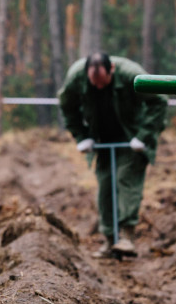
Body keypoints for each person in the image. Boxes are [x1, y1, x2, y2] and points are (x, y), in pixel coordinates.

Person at [58, 52, 168, 258]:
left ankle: (126, 236)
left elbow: (159, 101)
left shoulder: (131, 75)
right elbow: (67, 107)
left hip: (131, 136)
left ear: (112, 70)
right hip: (101, 138)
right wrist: (81, 136)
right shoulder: (76, 77)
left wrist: (143, 136)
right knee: (106, 186)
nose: (99, 87)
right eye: (94, 84)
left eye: (103, 83)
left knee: (125, 180)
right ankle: (109, 240)